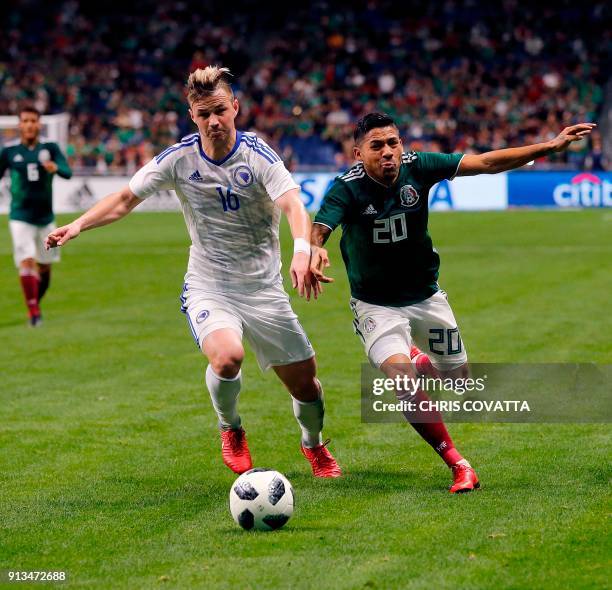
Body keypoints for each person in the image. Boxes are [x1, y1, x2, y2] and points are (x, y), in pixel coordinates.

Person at [45, 66, 341, 478]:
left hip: (263, 288)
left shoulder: (258, 154)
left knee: (306, 385)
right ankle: (231, 428)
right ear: (192, 116)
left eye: (220, 110)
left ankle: (313, 445)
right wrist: (77, 225)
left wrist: (301, 248)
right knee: (226, 359)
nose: (213, 121)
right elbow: (125, 198)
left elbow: (292, 202)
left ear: (235, 107)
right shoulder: (178, 158)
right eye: (204, 114)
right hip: (210, 284)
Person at [310, 112, 596, 493]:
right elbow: (319, 229)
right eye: (377, 146)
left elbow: (487, 162)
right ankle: (459, 464)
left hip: (426, 297)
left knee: (459, 381)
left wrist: (549, 146)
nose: (388, 153)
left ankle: (420, 359)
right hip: (375, 305)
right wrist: (312, 253)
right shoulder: (345, 188)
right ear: (358, 153)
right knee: (403, 382)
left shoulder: (420, 166)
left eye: (393, 143)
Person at [0, 106, 72, 326]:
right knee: (27, 261)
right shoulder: (9, 152)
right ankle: (34, 313)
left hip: (45, 218)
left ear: (39, 124)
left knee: (45, 269)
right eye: (25, 121)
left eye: (33, 120)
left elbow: (67, 172)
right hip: (20, 216)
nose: (30, 125)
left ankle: (34, 303)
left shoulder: (50, 148)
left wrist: (55, 168)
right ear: (20, 125)